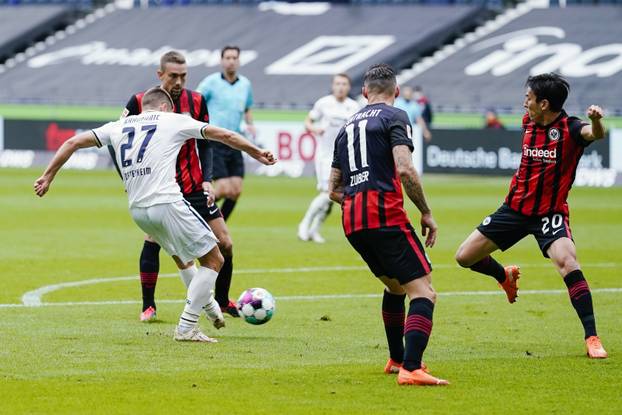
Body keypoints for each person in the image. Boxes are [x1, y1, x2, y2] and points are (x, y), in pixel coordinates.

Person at [34, 87, 276, 342]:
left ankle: (210, 308)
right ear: (164, 107)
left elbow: (72, 142)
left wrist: (47, 176)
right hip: (166, 202)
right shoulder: (172, 120)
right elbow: (223, 134)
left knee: (183, 260)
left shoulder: (120, 125)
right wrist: (256, 152)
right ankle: (187, 327)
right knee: (215, 259)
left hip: (138, 210)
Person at [455, 73, 608, 359]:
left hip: (549, 213)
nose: (524, 102)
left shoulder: (571, 128)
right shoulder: (529, 122)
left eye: (529, 98)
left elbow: (595, 134)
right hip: (513, 209)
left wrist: (597, 120)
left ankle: (592, 337)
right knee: (464, 257)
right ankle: (504, 276)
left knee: (568, 261)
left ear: (544, 103)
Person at [329, 64, 448, 386]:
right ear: (396, 92)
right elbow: (405, 169)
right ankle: (412, 368)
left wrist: (357, 201)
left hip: (352, 220)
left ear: (364, 92)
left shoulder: (346, 125)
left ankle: (396, 359)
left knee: (395, 286)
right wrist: (425, 211)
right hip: (384, 214)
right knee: (424, 292)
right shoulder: (395, 116)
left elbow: (333, 189)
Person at [120, 51, 239, 321]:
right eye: (173, 76)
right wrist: (129, 179)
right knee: (155, 241)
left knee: (225, 243)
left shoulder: (196, 100)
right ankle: (148, 305)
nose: (179, 81)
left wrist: (207, 179)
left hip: (193, 185)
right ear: (159, 74)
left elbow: (205, 142)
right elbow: (120, 142)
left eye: (183, 76)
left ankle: (221, 300)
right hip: (159, 187)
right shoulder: (139, 102)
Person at [297, 73, 360, 243]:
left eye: (344, 84)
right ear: (333, 86)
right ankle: (304, 224)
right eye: (338, 83)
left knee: (335, 196)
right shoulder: (323, 103)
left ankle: (314, 230)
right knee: (327, 193)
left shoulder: (354, 107)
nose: (340, 87)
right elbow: (307, 122)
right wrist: (315, 129)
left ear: (349, 87)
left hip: (345, 158)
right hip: (326, 157)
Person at [196, 45, 256, 222]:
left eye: (234, 58)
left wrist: (250, 124)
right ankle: (197, 210)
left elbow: (247, 107)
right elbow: (196, 102)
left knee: (236, 190)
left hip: (235, 141)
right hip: (215, 140)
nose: (231, 61)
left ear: (239, 61)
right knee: (223, 188)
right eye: (227, 58)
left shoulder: (245, 84)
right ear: (222, 61)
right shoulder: (210, 82)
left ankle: (220, 226)